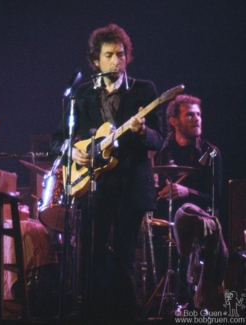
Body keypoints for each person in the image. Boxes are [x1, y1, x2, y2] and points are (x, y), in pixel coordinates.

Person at [50, 24, 163, 322]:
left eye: (121, 54)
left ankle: (126, 316)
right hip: (93, 188)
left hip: (130, 187)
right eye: (109, 55)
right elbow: (57, 137)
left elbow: (159, 139)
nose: (116, 61)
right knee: (92, 257)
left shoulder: (144, 90)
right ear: (96, 60)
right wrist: (70, 150)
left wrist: (142, 132)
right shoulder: (82, 95)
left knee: (124, 257)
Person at [154, 94, 224, 310]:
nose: (197, 119)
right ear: (173, 121)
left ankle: (188, 301)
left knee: (186, 215)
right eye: (190, 115)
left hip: (198, 224)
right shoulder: (160, 154)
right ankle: (162, 300)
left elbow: (215, 199)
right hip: (163, 224)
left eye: (199, 115)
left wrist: (187, 192)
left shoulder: (210, 153)